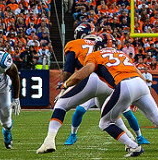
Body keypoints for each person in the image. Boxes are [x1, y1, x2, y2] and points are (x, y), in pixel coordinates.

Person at [61, 45, 158, 158]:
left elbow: (81, 75)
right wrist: (139, 94)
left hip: (125, 84)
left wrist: (66, 84)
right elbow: (138, 72)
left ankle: (133, 146)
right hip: (140, 83)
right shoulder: (121, 54)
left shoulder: (95, 55)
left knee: (104, 123)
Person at [37, 23, 147, 152]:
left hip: (92, 78)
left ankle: (49, 140)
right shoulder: (105, 45)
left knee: (61, 105)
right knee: (111, 116)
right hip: (110, 82)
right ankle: (131, 141)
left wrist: (64, 85)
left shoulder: (75, 44)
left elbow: (68, 71)